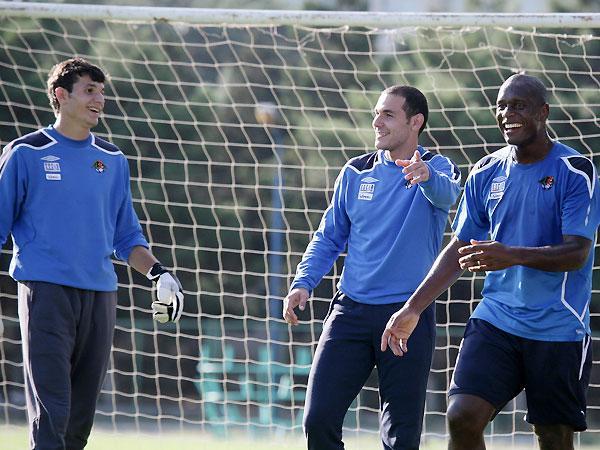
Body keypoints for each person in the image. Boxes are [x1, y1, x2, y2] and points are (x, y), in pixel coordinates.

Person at [381, 74, 599, 450]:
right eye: (501, 106)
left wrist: (509, 254)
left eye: (519, 106)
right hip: (496, 319)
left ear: (543, 112)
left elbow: (577, 253)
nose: (507, 113)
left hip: (558, 327)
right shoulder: (485, 171)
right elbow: (460, 248)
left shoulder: (575, 170)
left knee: (553, 438)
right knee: (462, 416)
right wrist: (412, 308)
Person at [0, 57, 184, 449]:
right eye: (89, 91)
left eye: (101, 92)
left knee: (78, 424)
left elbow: (127, 237)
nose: (99, 99)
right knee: (51, 416)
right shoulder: (25, 153)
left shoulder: (113, 160)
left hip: (101, 297)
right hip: (45, 293)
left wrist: (160, 274)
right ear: (61, 95)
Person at [284, 85, 461, 450]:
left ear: (415, 122)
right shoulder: (355, 171)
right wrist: (303, 281)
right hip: (350, 312)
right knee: (318, 420)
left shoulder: (438, 168)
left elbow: (448, 194)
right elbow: (329, 236)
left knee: (400, 438)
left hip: (406, 316)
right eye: (377, 114)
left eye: (388, 115)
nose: (377, 122)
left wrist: (426, 176)